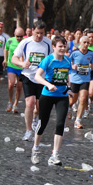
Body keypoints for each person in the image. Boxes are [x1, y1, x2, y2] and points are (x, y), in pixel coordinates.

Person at [31, 35, 71, 166]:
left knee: (60, 124)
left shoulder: (67, 60)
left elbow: (67, 75)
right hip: (47, 95)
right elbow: (37, 76)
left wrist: (69, 87)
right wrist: (48, 85)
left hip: (62, 96)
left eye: (64, 46)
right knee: (43, 123)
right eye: (59, 46)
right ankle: (35, 149)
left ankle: (55, 155)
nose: (62, 48)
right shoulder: (48, 60)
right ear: (53, 47)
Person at [12, 21, 53, 141]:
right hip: (28, 76)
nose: (39, 36)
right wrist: (22, 63)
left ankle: (35, 118)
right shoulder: (26, 42)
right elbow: (14, 58)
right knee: (30, 103)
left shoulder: (48, 43)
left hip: (42, 78)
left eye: (41, 33)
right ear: (32, 30)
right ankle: (29, 130)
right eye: (37, 33)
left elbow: (53, 58)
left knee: (40, 107)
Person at [69, 36, 93, 129]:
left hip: (85, 79)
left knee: (83, 99)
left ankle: (78, 120)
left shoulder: (90, 53)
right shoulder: (74, 53)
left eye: (88, 43)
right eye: (85, 42)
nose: (86, 44)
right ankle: (68, 107)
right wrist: (72, 66)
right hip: (75, 79)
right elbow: (68, 61)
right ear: (80, 43)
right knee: (73, 100)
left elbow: (91, 63)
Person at [4, 28, 25, 113]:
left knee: (19, 87)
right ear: (14, 34)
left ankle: (15, 104)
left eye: (21, 36)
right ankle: (10, 101)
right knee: (11, 84)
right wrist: (5, 59)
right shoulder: (10, 40)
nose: (19, 38)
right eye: (17, 36)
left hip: (21, 67)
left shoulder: (25, 42)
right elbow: (6, 49)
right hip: (11, 65)